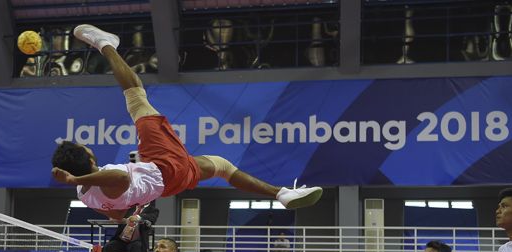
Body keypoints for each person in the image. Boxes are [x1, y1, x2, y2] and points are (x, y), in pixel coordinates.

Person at [51, 25, 322, 221]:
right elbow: (120, 176)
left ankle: (281, 193)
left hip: (170, 184)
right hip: (162, 166)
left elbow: (118, 213)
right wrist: (77, 177)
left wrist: (123, 216)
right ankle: (104, 44)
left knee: (221, 166)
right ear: (86, 156)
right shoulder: (94, 182)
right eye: (83, 147)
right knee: (135, 96)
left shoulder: (86, 197)